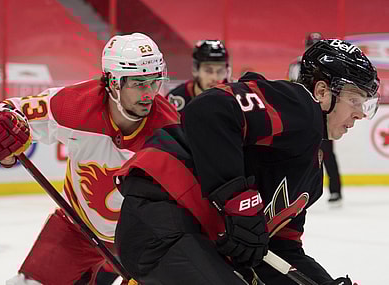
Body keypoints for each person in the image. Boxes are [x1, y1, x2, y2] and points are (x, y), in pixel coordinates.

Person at [113, 39, 380, 285]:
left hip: (185, 238)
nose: (360, 113)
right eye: (354, 99)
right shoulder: (299, 105)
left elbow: (279, 249)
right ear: (322, 91)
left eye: (365, 103)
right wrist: (239, 201)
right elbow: (209, 110)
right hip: (163, 216)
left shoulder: (310, 170)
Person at [0, 32, 179, 285]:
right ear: (112, 82)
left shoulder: (171, 129)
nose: (149, 94)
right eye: (139, 83)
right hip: (76, 229)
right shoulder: (74, 106)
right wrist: (2, 135)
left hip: (145, 239)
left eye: (154, 81)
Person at [289, 32, 342, 204]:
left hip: (322, 114)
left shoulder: (329, 67)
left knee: (327, 153)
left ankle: (335, 190)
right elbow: (293, 87)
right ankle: (295, 191)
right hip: (303, 113)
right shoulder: (297, 64)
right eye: (311, 46)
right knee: (298, 152)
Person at [166, 39, 230, 116]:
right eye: (208, 71)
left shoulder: (233, 97)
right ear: (195, 70)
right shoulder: (177, 98)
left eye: (220, 71)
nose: (215, 78)